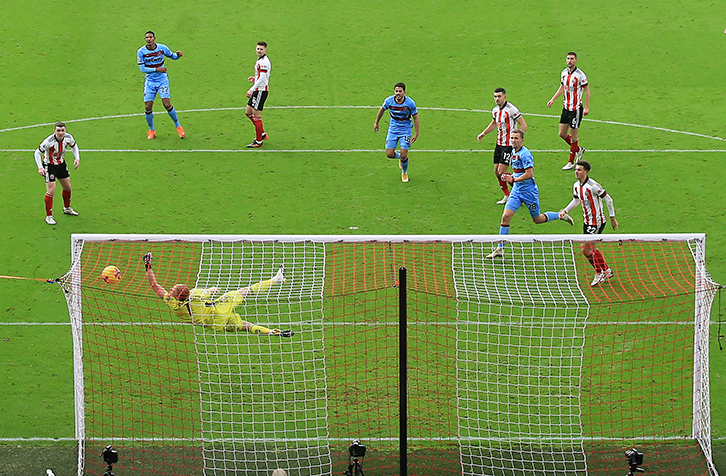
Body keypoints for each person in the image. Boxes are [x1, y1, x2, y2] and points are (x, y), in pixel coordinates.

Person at [142, 252, 293, 336]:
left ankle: (273, 332)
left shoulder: (172, 303)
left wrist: (148, 265)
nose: (172, 287)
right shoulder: (195, 294)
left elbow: (155, 285)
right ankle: (275, 280)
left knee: (245, 326)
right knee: (243, 292)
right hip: (218, 308)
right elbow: (210, 291)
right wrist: (213, 289)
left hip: (215, 324)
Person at [486, 130, 574, 258]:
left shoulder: (525, 154)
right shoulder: (512, 152)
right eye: (512, 138)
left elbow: (529, 174)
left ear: (522, 140)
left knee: (537, 220)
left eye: (516, 138)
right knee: (505, 216)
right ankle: (500, 248)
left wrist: (514, 179)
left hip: (529, 193)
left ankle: (560, 215)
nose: (513, 141)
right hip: (517, 191)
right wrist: (508, 176)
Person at [558, 160, 619, 286]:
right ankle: (606, 270)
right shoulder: (576, 185)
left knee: (585, 248)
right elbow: (576, 200)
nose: (576, 171)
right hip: (587, 222)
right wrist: (565, 210)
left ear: (586, 171)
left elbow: (609, 200)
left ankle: (599, 272)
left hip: (597, 222)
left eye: (579, 170)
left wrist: (612, 218)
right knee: (591, 248)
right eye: (576, 169)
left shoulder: (593, 186)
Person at [477, 87, 528, 204]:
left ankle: (522, 192)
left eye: (499, 96)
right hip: (499, 144)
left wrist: (519, 140)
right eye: (495, 96)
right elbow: (494, 123)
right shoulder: (495, 110)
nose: (497, 99)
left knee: (502, 172)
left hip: (509, 145)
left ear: (505, 97)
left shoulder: (511, 110)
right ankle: (508, 195)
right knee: (496, 171)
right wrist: (484, 133)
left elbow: (523, 124)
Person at [137, 31, 185, 140]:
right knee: (148, 107)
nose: (149, 39)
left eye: (150, 37)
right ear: (145, 39)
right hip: (150, 82)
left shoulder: (162, 48)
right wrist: (157, 69)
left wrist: (178, 55)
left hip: (162, 80)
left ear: (154, 38)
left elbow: (172, 56)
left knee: (167, 104)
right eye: (147, 37)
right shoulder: (141, 52)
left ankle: (178, 126)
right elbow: (142, 69)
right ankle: (151, 130)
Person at [546, 51, 590, 170]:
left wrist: (586, 107)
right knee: (561, 133)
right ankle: (578, 149)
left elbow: (587, 91)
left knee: (574, 136)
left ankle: (571, 162)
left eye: (572, 59)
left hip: (575, 109)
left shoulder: (580, 75)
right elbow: (562, 87)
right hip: (566, 107)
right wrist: (553, 99)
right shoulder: (564, 73)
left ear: (576, 60)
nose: (569, 61)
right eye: (568, 58)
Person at [34, 122, 80, 225]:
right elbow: (37, 152)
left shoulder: (68, 138)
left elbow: (74, 146)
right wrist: (40, 167)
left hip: (61, 164)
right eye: (58, 131)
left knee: (67, 186)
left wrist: (77, 158)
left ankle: (67, 208)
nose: (60, 133)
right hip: (49, 166)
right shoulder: (48, 142)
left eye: (62, 130)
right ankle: (49, 216)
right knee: (51, 190)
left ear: (65, 130)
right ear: (54, 131)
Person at [373, 82, 420, 183]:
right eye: (396, 91)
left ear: (404, 92)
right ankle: (400, 158)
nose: (398, 93)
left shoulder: (410, 103)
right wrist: (376, 122)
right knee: (389, 154)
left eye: (400, 91)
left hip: (406, 130)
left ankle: (404, 172)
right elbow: (381, 110)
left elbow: (415, 117)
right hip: (393, 129)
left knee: (404, 155)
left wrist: (416, 133)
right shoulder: (389, 101)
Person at [245, 41, 272, 149]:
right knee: (248, 112)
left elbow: (263, 77)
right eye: (258, 49)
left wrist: (252, 89)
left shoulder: (264, 62)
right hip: (258, 89)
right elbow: (261, 76)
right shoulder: (261, 60)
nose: (259, 51)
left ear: (265, 50)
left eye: (261, 49)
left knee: (256, 116)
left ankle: (259, 141)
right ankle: (262, 133)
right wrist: (254, 79)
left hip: (260, 91)